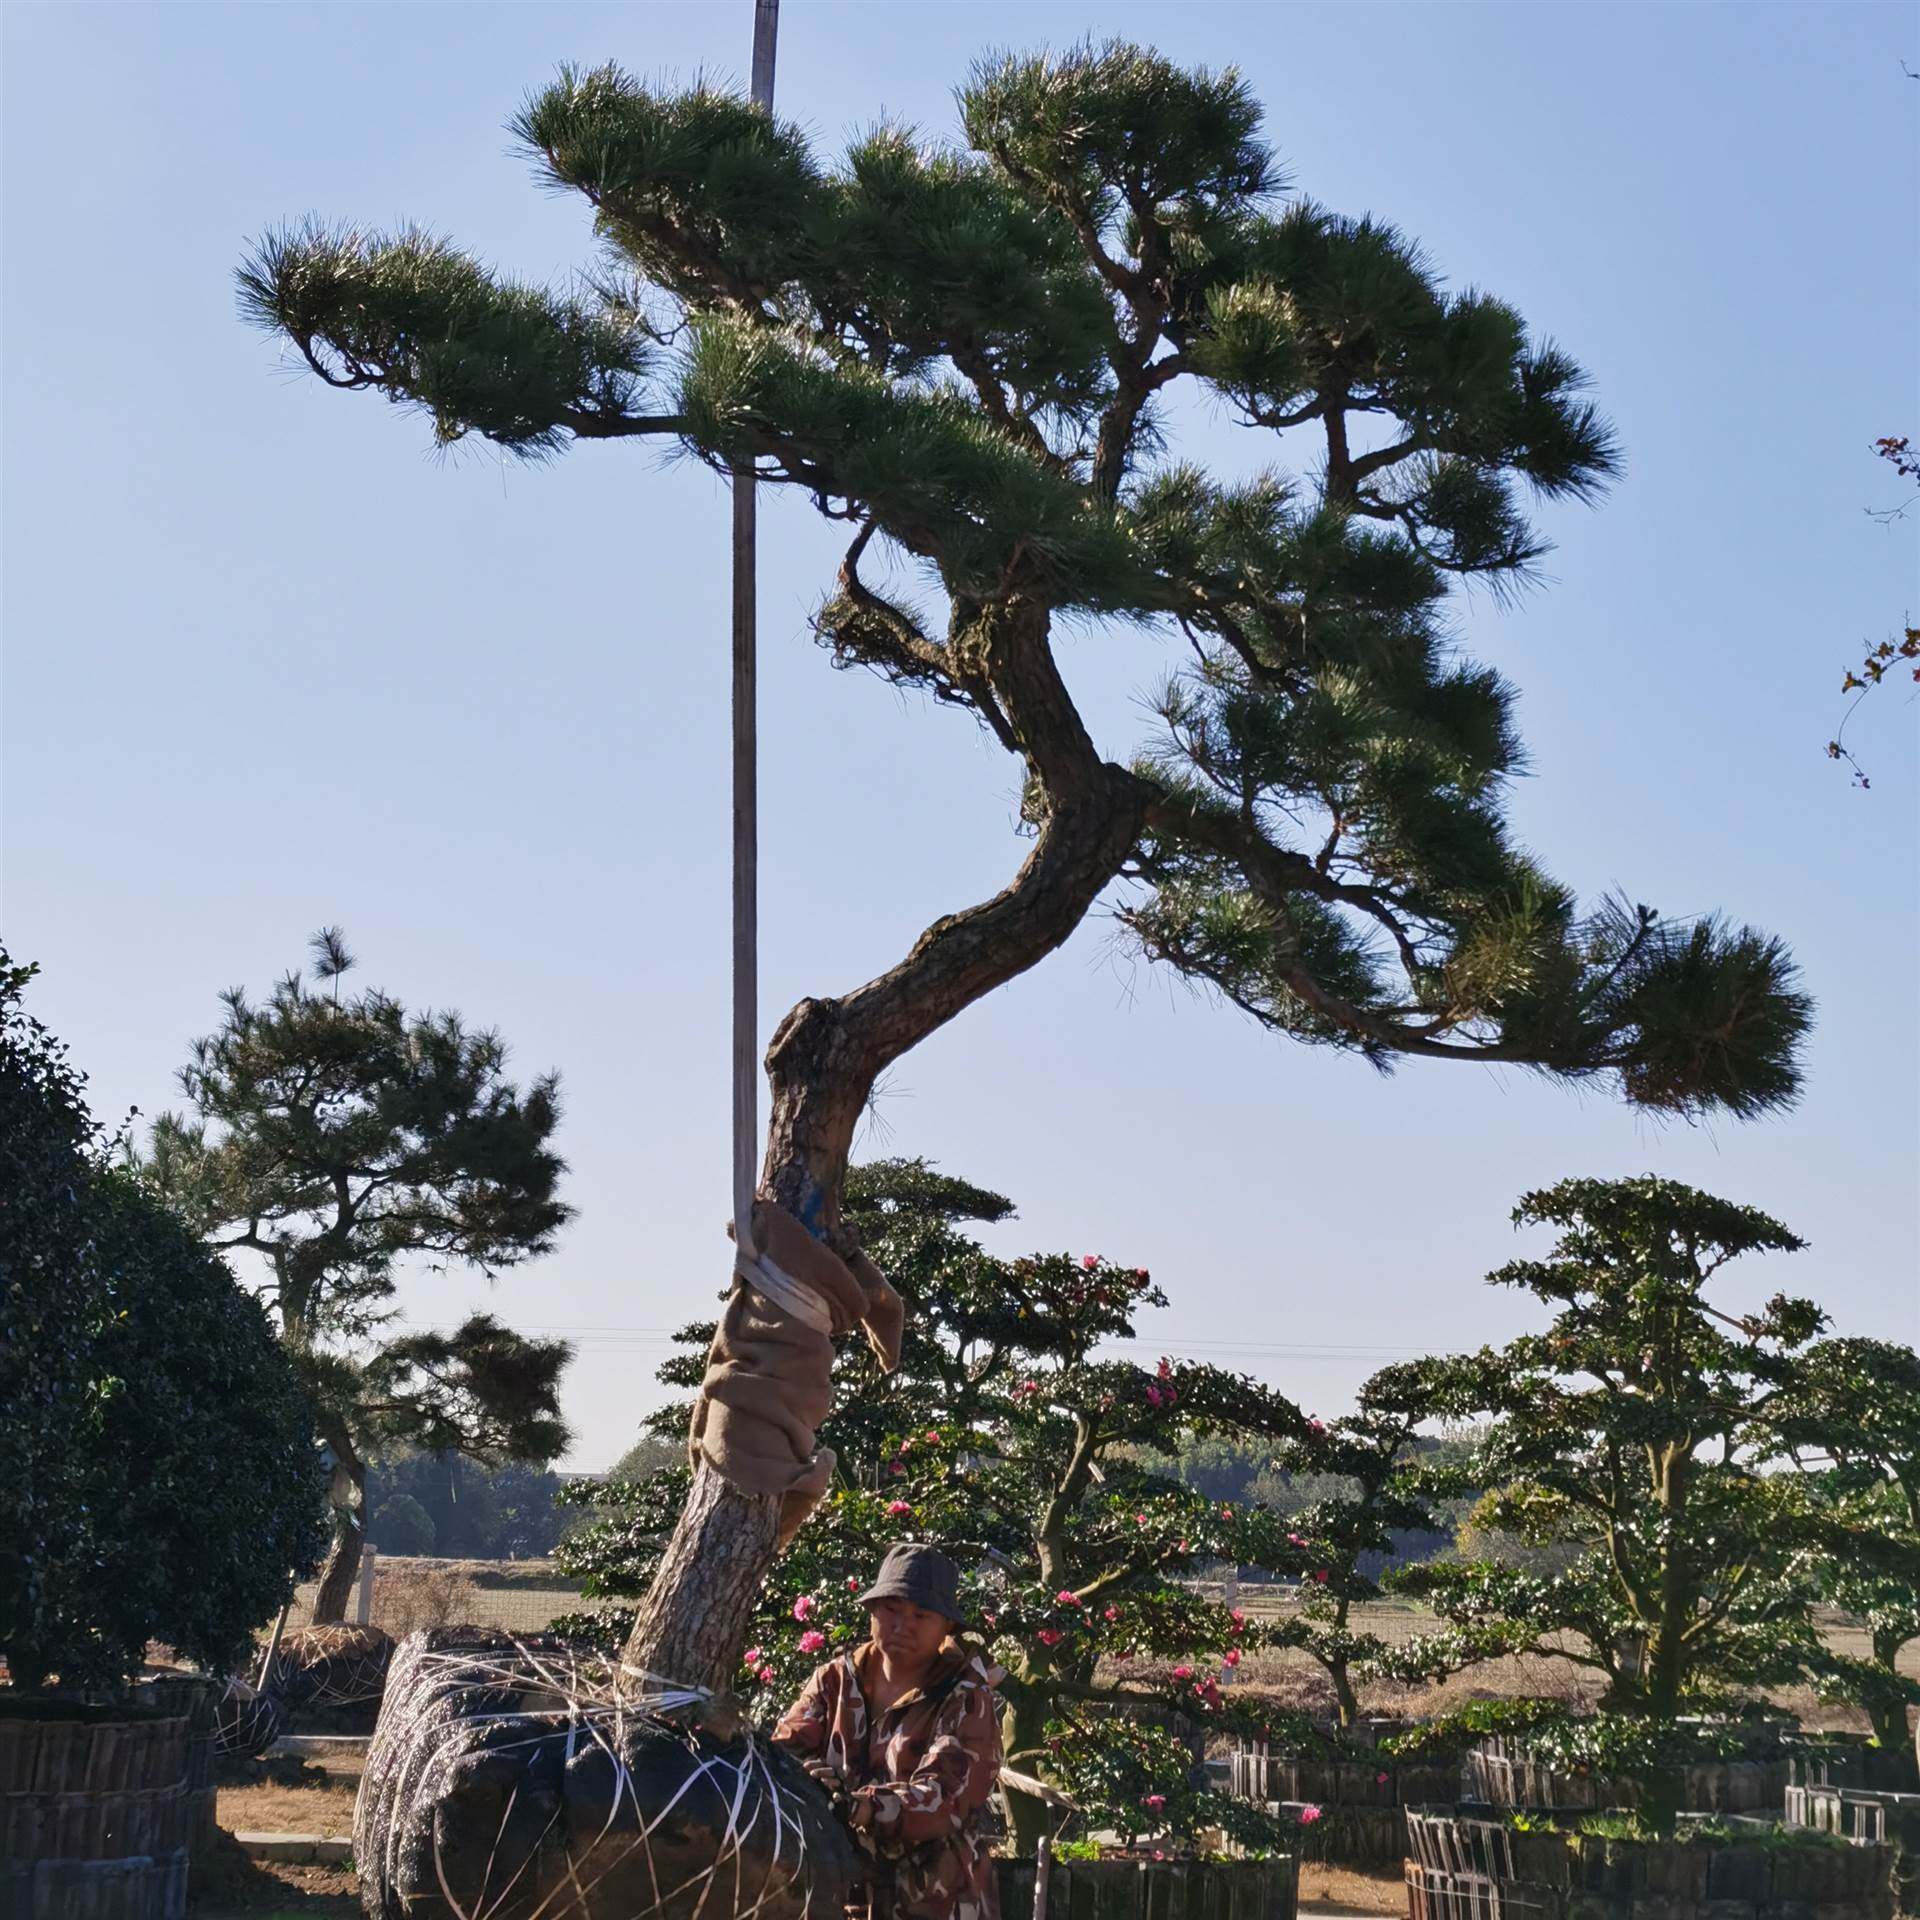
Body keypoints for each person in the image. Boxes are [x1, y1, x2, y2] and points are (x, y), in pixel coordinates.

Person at [774, 1543, 1004, 1920]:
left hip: (934, 1901)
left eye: (921, 1614)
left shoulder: (965, 1696)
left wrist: (862, 1806)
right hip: (832, 1895)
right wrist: (809, 1780)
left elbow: (944, 1799)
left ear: (946, 1626)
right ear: (871, 1611)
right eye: (892, 1610)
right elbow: (782, 1753)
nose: (903, 1625)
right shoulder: (833, 1679)